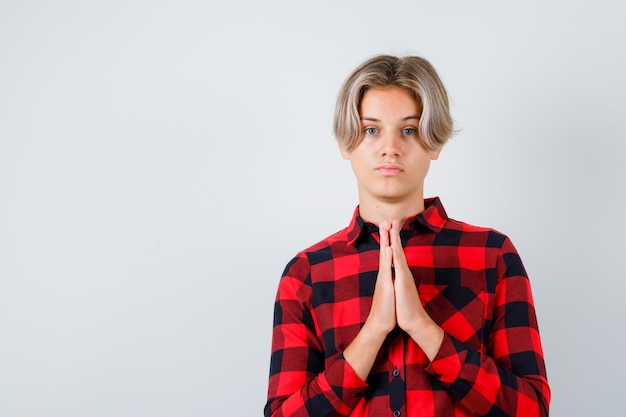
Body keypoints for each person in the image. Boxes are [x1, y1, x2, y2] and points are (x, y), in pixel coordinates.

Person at [264, 55, 550, 417]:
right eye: (371, 130)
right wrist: (373, 332)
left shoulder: (492, 256)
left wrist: (423, 328)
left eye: (409, 130)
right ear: (345, 143)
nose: (390, 148)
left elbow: (531, 410)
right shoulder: (306, 273)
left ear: (435, 143)